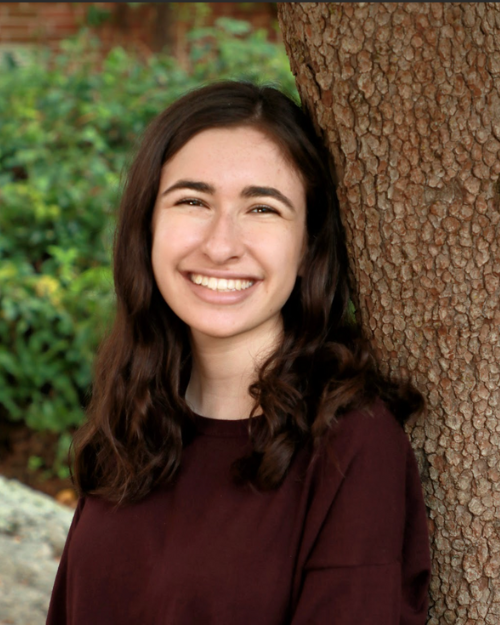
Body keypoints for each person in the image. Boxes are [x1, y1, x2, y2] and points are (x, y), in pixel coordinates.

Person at [46, 81, 431, 625]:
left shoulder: (351, 448)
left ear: (307, 249)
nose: (221, 245)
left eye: (262, 208)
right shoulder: (132, 417)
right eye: (192, 201)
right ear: (148, 225)